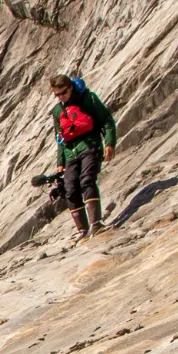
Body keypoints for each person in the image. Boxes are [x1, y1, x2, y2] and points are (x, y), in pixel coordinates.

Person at [49, 73, 117, 240]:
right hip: (70, 153)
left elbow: (107, 120)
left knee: (87, 180)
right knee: (70, 189)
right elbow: (60, 139)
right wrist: (60, 163)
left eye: (63, 93)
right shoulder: (58, 111)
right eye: (57, 95)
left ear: (71, 87)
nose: (61, 97)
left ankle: (96, 224)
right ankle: (83, 231)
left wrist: (109, 143)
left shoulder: (88, 99)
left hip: (90, 146)